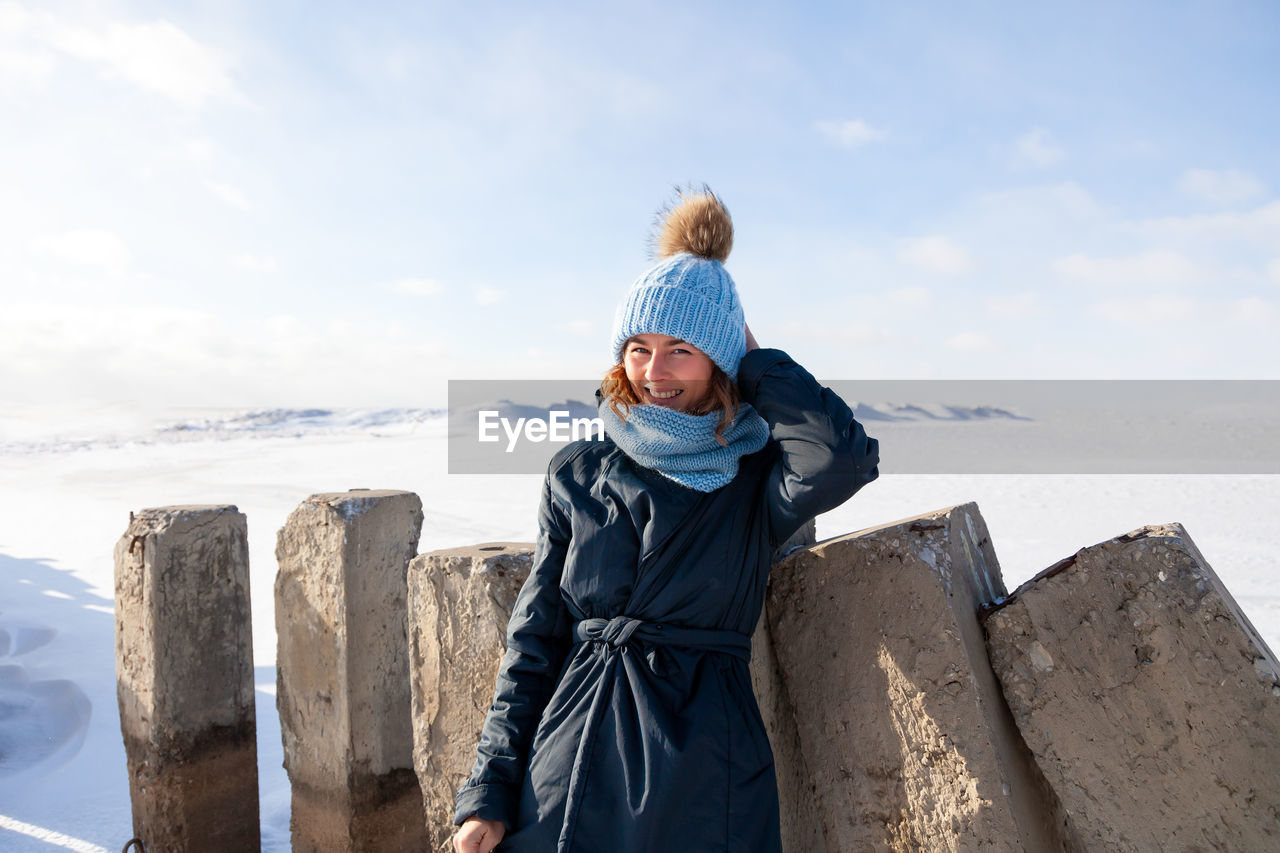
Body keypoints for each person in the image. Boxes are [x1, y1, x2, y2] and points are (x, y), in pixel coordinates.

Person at [453, 187, 879, 853]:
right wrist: (489, 793)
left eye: (681, 348)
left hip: (702, 762)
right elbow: (533, 645)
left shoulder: (754, 473)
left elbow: (840, 462)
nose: (654, 372)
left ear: (720, 358)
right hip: (570, 754)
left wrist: (758, 362)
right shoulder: (578, 471)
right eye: (639, 347)